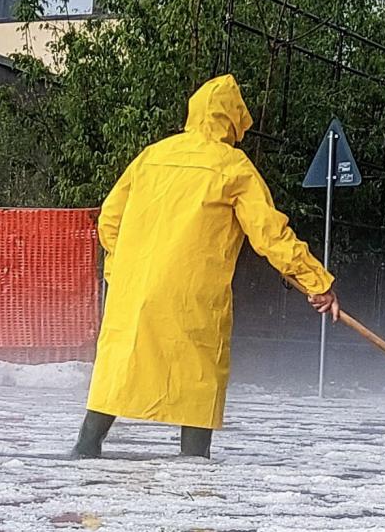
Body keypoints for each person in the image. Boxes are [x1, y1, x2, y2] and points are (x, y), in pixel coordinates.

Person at [73, 73, 340, 459]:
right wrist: (315, 281)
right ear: (233, 121)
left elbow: (109, 220)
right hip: (192, 295)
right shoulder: (232, 166)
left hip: (133, 292)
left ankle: (86, 447)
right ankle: (194, 464)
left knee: (119, 368)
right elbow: (269, 233)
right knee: (198, 375)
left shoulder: (152, 156)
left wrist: (124, 268)